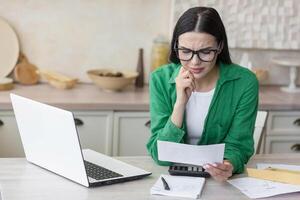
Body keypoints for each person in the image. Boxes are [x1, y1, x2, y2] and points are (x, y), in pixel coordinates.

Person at [146, 7, 258, 182]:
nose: (194, 61)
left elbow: (239, 145)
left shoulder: (244, 82)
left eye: (205, 52)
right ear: (176, 47)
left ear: (220, 46)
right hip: (172, 180)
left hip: (220, 182)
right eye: (185, 51)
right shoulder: (160, 79)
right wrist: (180, 104)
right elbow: (160, 155)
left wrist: (228, 165)